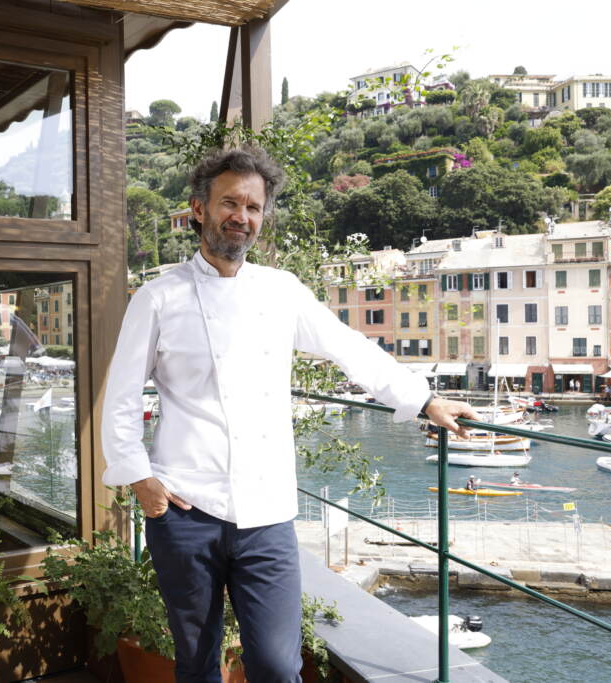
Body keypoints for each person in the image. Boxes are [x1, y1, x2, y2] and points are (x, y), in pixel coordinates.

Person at [100, 146, 477, 682]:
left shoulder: (281, 291)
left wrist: (423, 399)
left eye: (253, 207)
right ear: (199, 209)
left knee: (278, 665)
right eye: (230, 203)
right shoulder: (158, 298)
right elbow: (120, 397)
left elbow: (350, 348)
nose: (242, 216)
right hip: (186, 508)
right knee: (197, 662)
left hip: (267, 512)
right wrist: (141, 479)